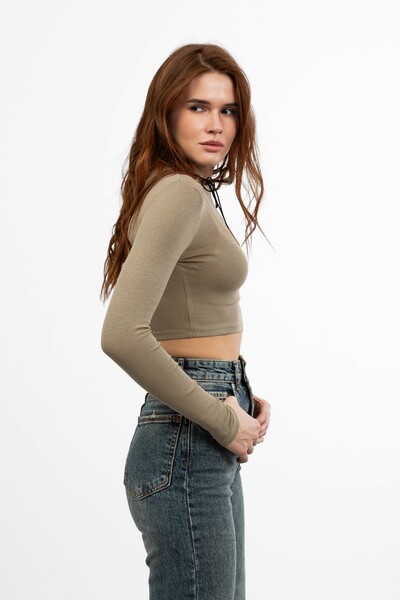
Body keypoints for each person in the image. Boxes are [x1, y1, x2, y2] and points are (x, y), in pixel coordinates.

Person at [100, 43, 271, 600]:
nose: (216, 124)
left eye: (228, 110)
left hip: (197, 431)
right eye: (198, 107)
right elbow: (121, 335)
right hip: (189, 440)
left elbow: (187, 319)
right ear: (167, 112)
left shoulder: (187, 191)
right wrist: (222, 416)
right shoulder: (177, 192)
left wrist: (237, 390)